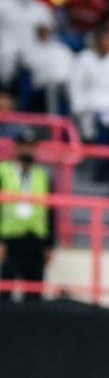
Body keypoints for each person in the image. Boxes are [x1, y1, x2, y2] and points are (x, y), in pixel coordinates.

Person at [0, 128, 56, 302]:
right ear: (16, 147)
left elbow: (50, 210)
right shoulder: (3, 171)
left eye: (31, 146)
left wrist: (49, 244)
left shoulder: (43, 175)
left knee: (34, 294)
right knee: (5, 293)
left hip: (35, 240)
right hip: (9, 239)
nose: (27, 150)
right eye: (24, 146)